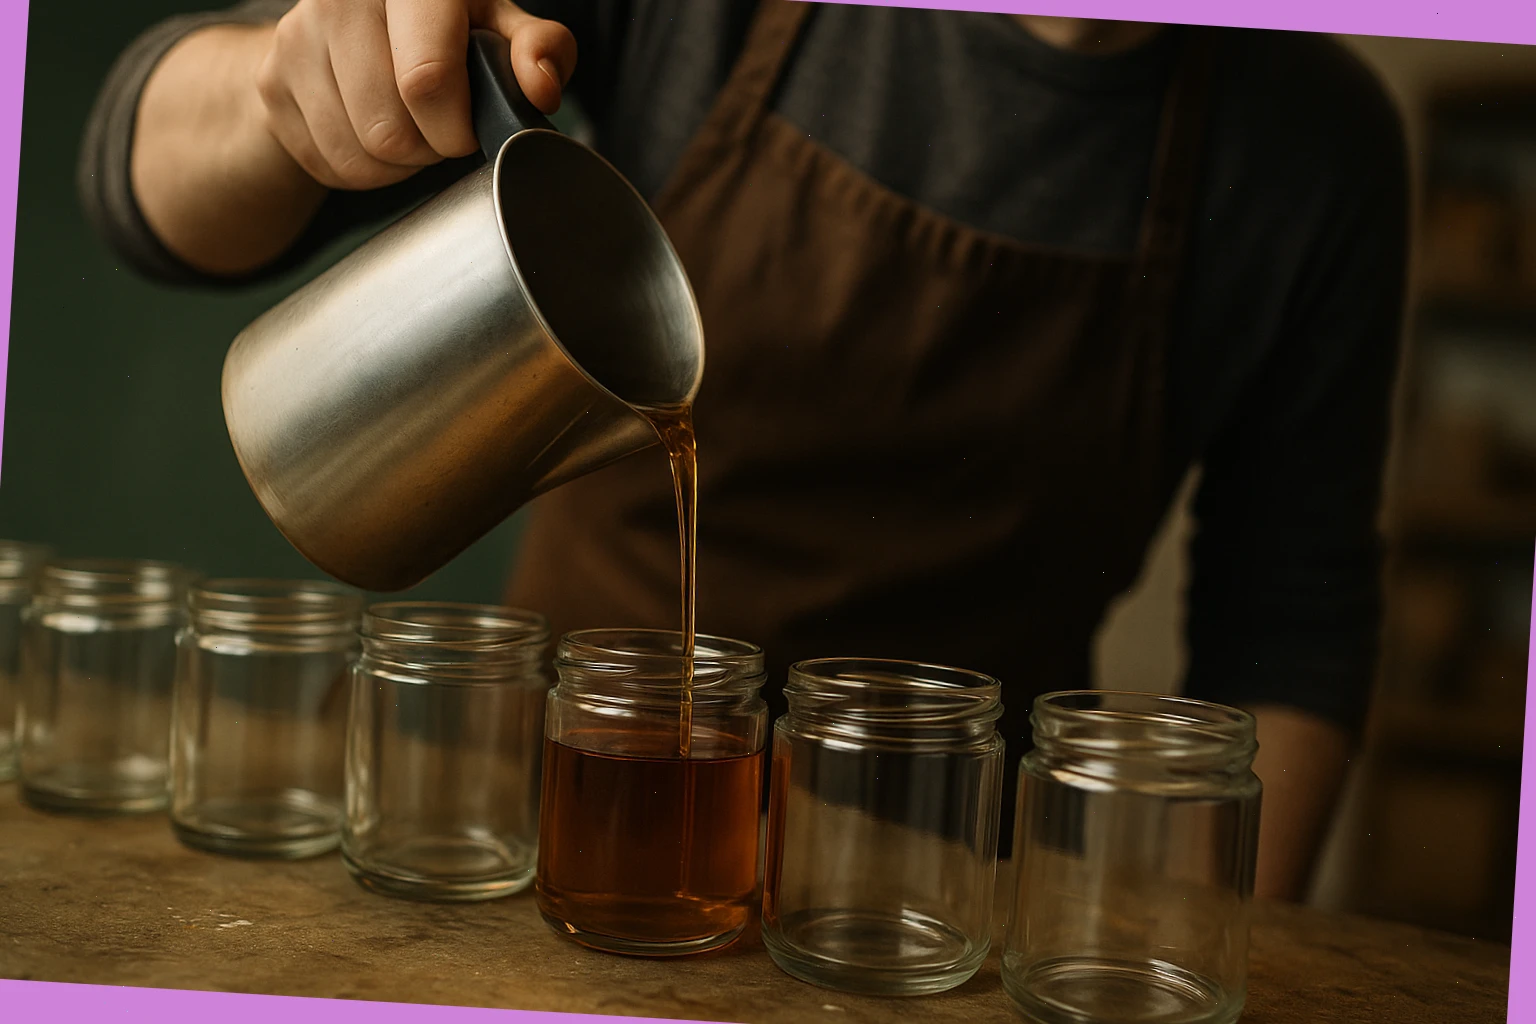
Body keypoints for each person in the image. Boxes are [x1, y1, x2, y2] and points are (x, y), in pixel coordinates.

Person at [80, 0, 1409, 902]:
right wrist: (280, 84)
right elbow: (135, 178)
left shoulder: (1319, 148)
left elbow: (1288, 632)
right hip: (526, 825)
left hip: (934, 901)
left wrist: (1188, 963)